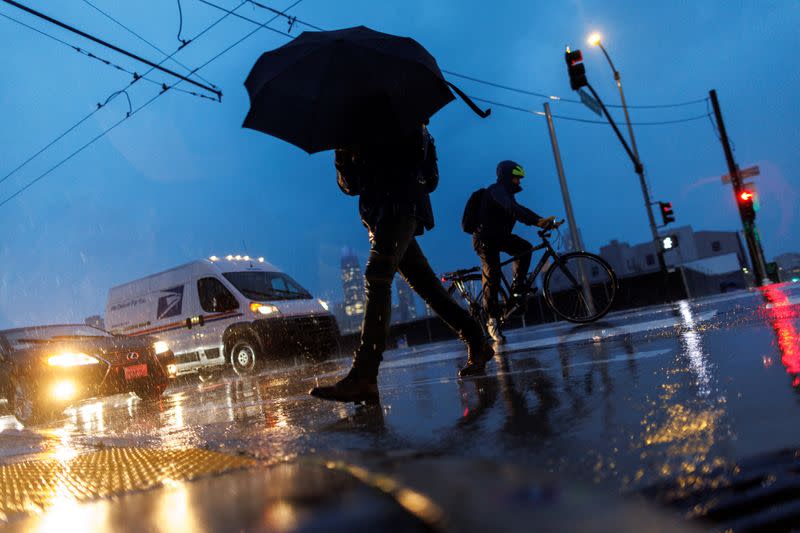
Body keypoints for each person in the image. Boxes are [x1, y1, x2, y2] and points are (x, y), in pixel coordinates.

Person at [310, 124, 493, 404]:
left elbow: (427, 178)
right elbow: (352, 186)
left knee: (377, 276)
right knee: (428, 287)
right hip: (378, 217)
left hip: (402, 208)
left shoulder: (403, 120)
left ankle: (365, 374)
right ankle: (476, 339)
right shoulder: (355, 129)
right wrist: (342, 153)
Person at [473, 160, 555, 344]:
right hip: (485, 239)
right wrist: (537, 221)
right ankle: (491, 320)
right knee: (492, 274)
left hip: (499, 236)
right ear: (508, 177)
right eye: (517, 178)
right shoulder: (496, 191)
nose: (519, 182)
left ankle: (517, 289)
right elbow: (514, 210)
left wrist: (541, 220)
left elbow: (518, 208)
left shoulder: (507, 194)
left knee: (524, 248)